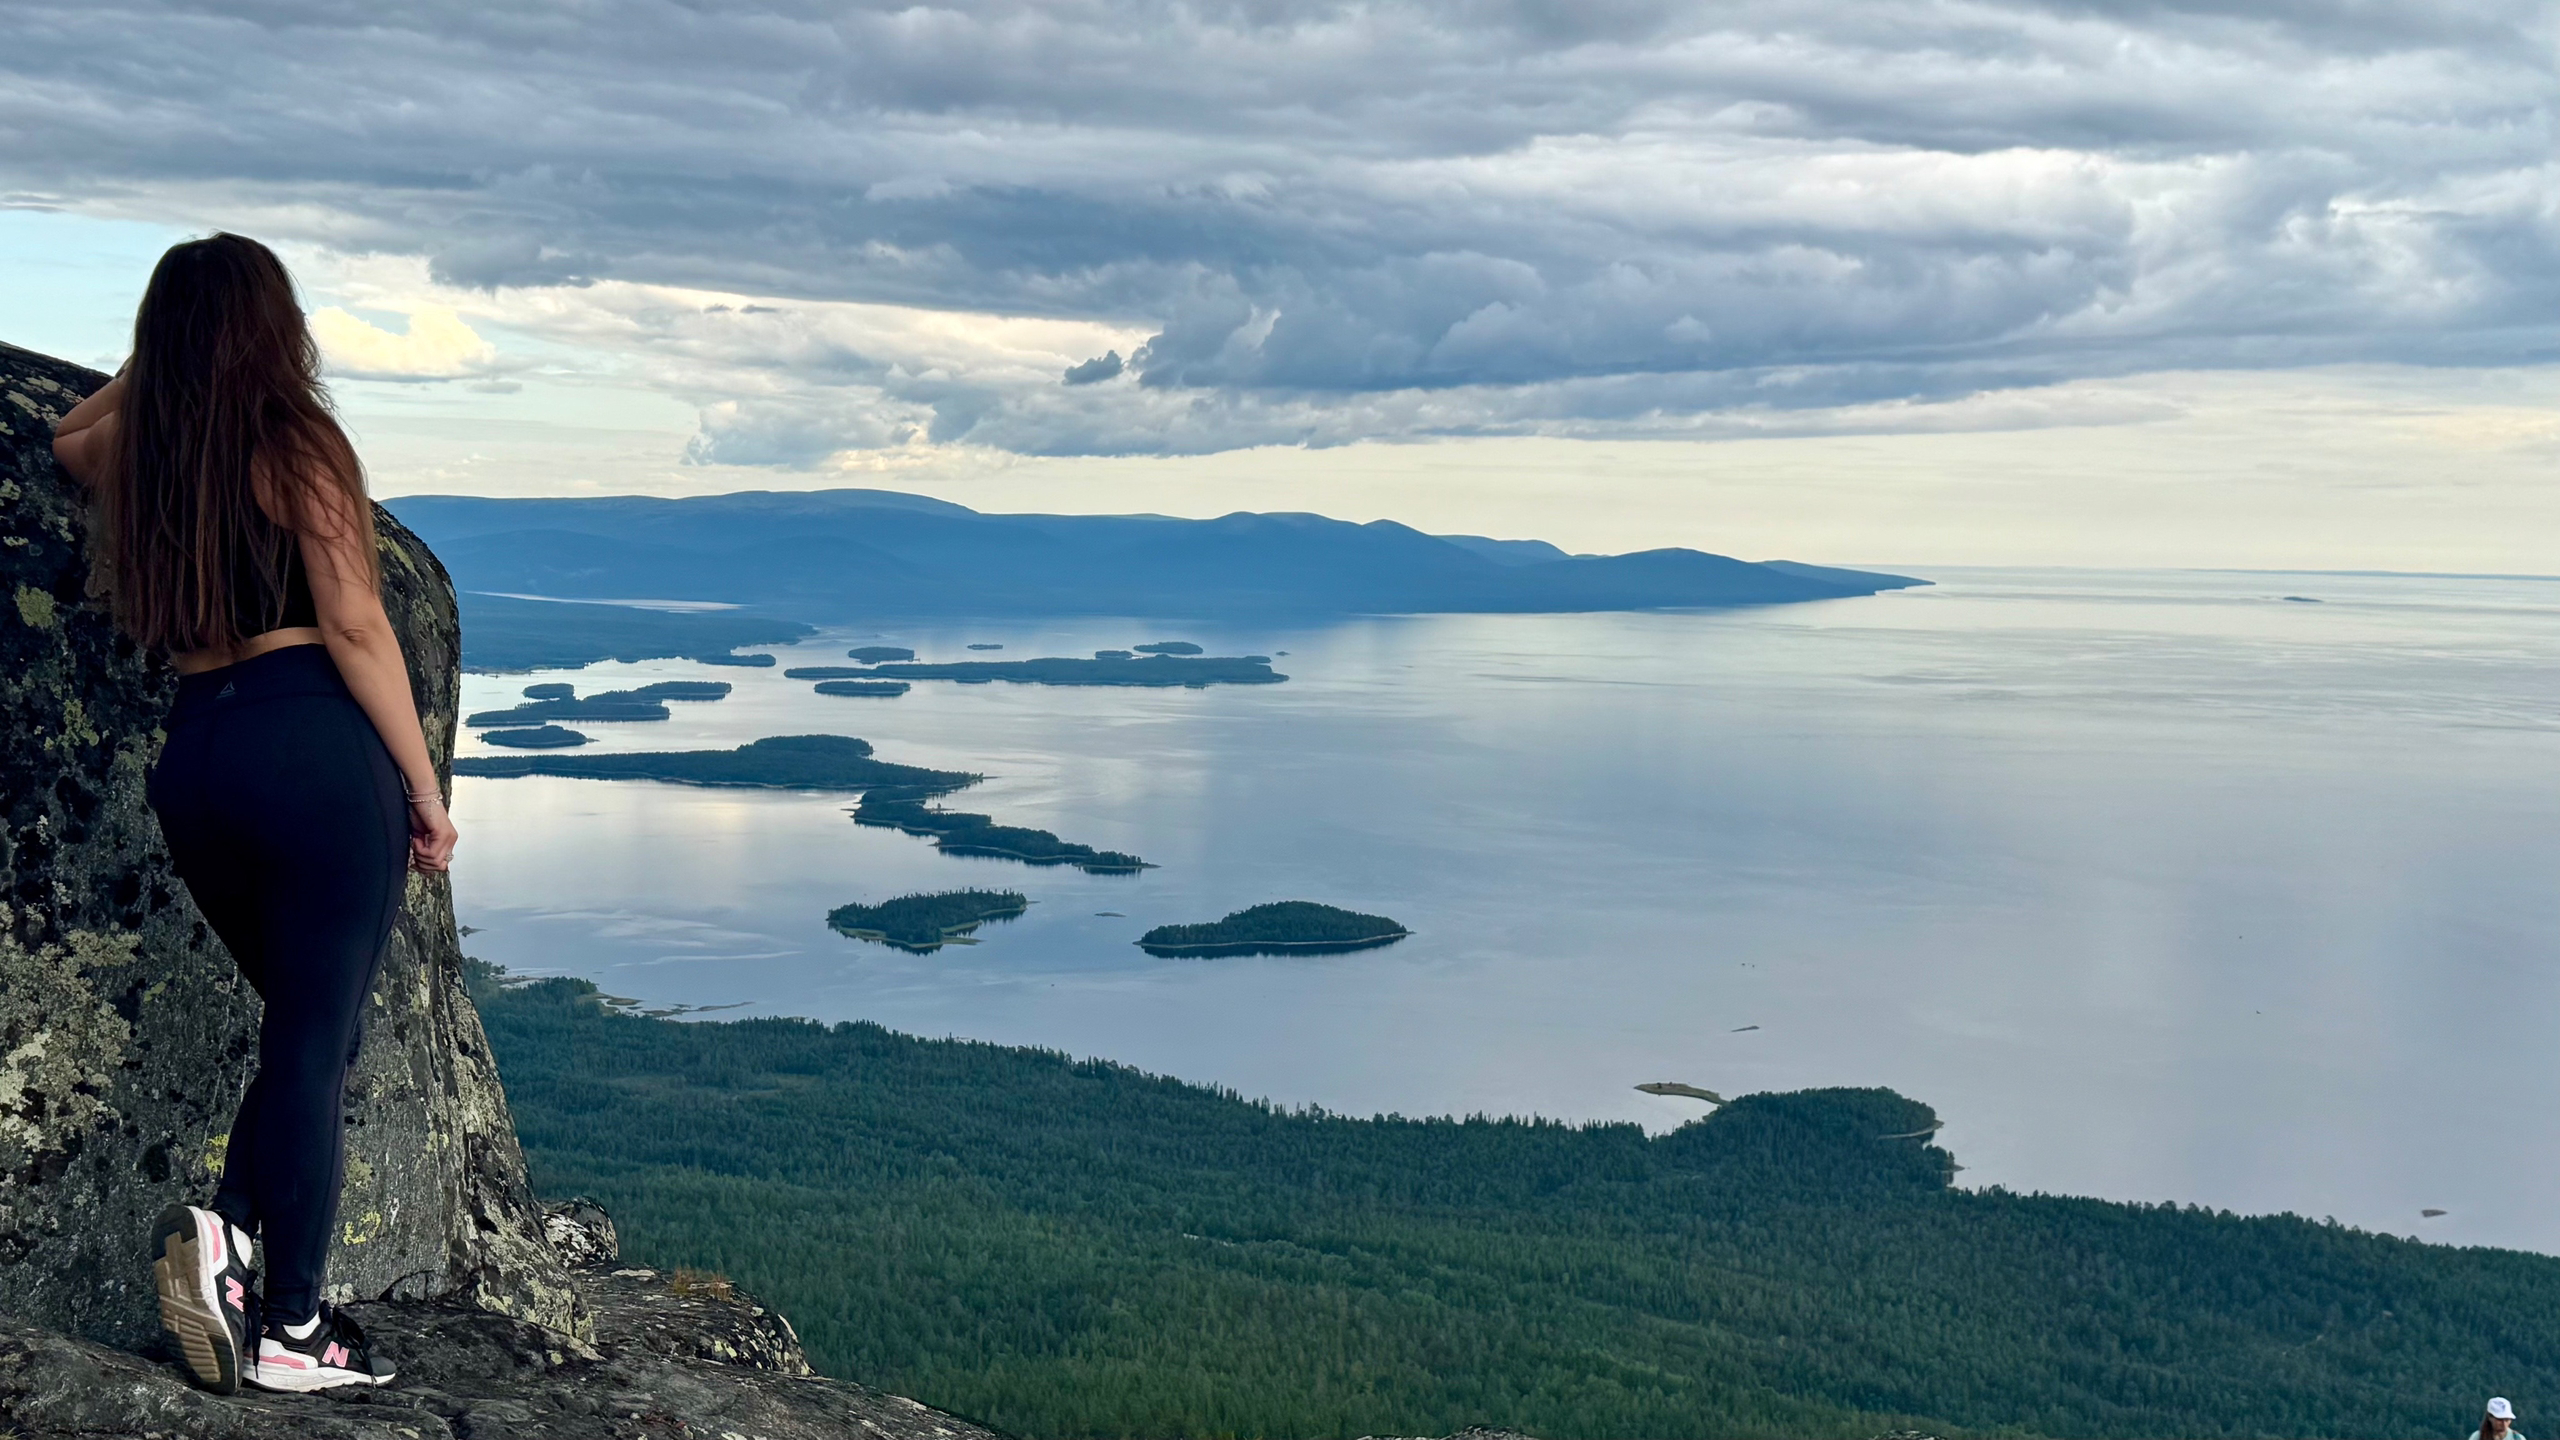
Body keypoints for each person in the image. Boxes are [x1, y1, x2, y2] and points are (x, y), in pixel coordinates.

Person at [50, 233, 459, 1395]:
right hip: (314, 752)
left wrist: (155, 364)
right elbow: (361, 625)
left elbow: (64, 436)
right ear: (275, 332)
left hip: (200, 757)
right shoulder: (296, 444)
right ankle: (291, 1324)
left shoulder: (142, 453)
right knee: (317, 1043)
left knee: (302, 1030)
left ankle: (227, 1237)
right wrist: (423, 791)